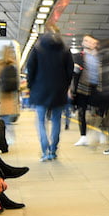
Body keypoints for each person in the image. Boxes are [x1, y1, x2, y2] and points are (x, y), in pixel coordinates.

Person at [24, 24, 75, 162]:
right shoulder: (65, 49)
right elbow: (70, 71)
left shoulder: (37, 48)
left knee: (40, 121)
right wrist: (64, 86)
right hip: (58, 91)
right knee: (56, 120)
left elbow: (31, 69)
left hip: (40, 91)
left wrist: (31, 86)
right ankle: (53, 150)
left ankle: (44, 150)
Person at [72, 35, 102, 146]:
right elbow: (74, 73)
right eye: (85, 40)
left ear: (95, 44)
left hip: (97, 87)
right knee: (82, 111)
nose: (87, 43)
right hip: (82, 88)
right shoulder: (78, 57)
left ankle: (99, 130)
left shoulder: (100, 57)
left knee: (100, 110)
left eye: (90, 41)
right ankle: (83, 136)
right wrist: (70, 89)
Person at [0, 45, 20, 144]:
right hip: (11, 96)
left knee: (2, 118)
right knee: (8, 120)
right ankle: (11, 137)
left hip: (2, 95)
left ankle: (4, 138)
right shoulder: (13, 64)